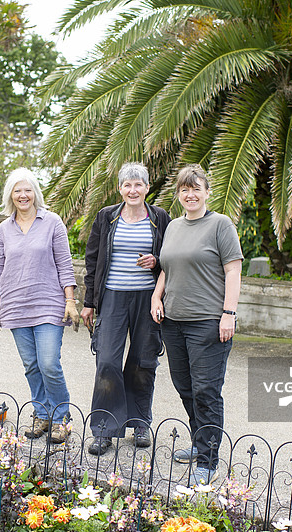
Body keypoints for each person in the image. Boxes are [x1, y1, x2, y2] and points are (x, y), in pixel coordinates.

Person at [151, 164, 243, 486]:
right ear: (179, 195)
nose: (190, 194)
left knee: (206, 391)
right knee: (185, 387)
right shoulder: (174, 226)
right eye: (184, 189)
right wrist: (156, 297)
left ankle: (208, 458)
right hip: (173, 322)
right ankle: (199, 441)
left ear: (207, 192)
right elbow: (166, 268)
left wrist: (228, 314)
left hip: (207, 323)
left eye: (196, 188)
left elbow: (233, 271)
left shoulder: (221, 224)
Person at [81, 162, 171, 455]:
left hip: (148, 297)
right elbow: (92, 260)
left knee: (144, 362)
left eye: (138, 184)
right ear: (120, 188)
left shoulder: (160, 218)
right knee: (107, 361)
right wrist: (89, 303)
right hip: (112, 297)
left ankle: (140, 422)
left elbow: (170, 259)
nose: (133, 190)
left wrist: (155, 260)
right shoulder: (106, 217)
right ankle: (105, 429)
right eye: (127, 185)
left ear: (147, 188)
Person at [0, 168, 79, 443]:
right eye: (17, 190)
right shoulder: (4, 228)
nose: (23, 195)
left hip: (49, 303)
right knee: (31, 365)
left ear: (35, 193)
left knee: (48, 363)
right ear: (10, 196)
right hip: (15, 307)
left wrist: (70, 301)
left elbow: (65, 264)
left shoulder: (52, 222)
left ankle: (62, 417)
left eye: (27, 190)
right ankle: (41, 413)